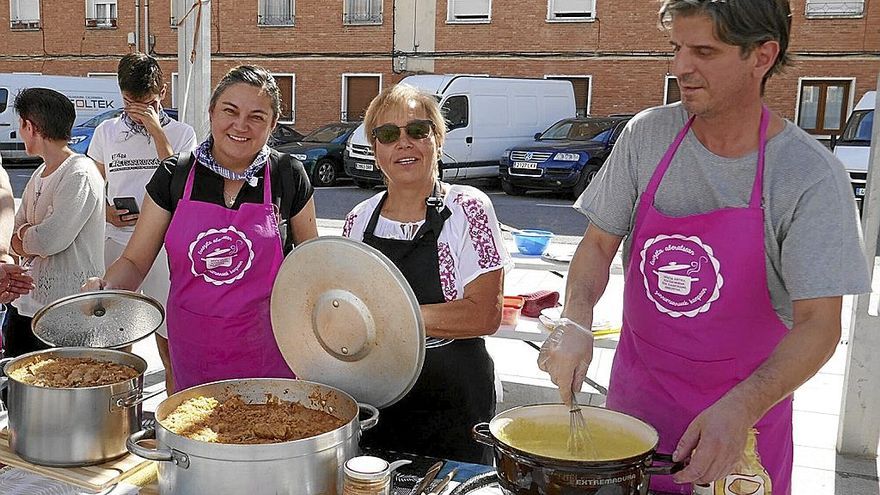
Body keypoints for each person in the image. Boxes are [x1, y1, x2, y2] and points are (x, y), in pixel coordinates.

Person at [537, 1, 871, 494]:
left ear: (762, 56)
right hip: (636, 409)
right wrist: (575, 320)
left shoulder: (809, 176)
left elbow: (819, 326)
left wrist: (742, 408)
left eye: (704, 51)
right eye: (677, 48)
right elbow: (597, 245)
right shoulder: (647, 135)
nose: (679, 67)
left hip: (743, 428)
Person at [84, 65, 318, 393]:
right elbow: (135, 262)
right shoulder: (174, 175)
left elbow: (313, 267)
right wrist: (105, 287)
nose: (241, 126)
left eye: (257, 117)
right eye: (230, 111)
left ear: (272, 124)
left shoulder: (288, 175)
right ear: (211, 113)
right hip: (193, 351)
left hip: (271, 352)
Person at [342, 83, 511, 463]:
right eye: (387, 135)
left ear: (437, 138)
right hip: (380, 400)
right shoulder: (358, 221)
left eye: (417, 130)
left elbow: (484, 314)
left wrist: (387, 317)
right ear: (375, 149)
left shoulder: (468, 208)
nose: (403, 143)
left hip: (456, 401)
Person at [88, 52, 197, 392]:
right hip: (118, 242)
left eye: (145, 103)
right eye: (129, 102)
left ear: (162, 92)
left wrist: (155, 129)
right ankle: (118, 421)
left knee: (171, 346)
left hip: (165, 248)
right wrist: (106, 211)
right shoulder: (107, 131)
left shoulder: (181, 133)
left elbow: (183, 182)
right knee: (116, 345)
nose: (135, 110)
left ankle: (170, 418)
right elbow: (92, 185)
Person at [6, 88, 104, 358]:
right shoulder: (40, 172)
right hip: (26, 308)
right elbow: (14, 234)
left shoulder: (79, 173)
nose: (20, 131)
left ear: (30, 126)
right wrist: (26, 236)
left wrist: (25, 236)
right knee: (17, 392)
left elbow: (50, 240)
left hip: (67, 313)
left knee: (60, 391)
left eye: (21, 124)